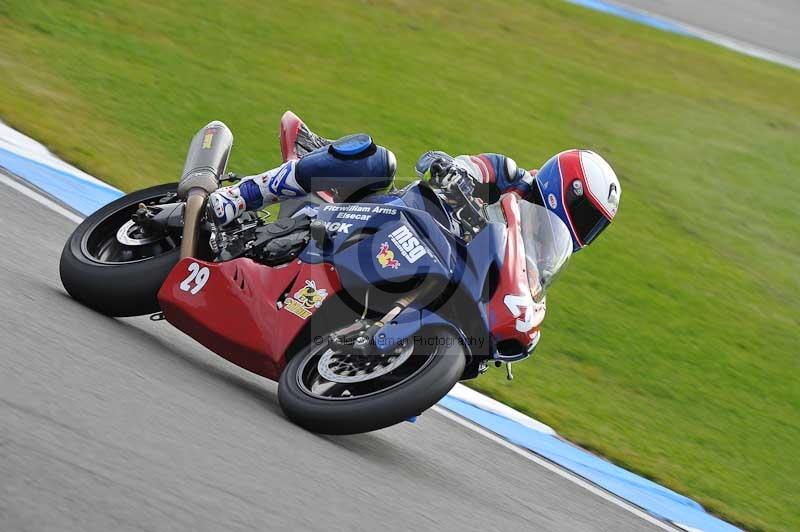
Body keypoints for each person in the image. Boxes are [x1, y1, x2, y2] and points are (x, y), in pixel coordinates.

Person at [208, 114, 621, 253]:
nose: (585, 231)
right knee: (377, 160)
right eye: (587, 217)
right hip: (404, 222)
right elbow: (474, 169)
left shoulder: (538, 257)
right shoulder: (511, 178)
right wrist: (457, 175)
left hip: (436, 270)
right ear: (565, 189)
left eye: (595, 226)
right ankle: (240, 196)